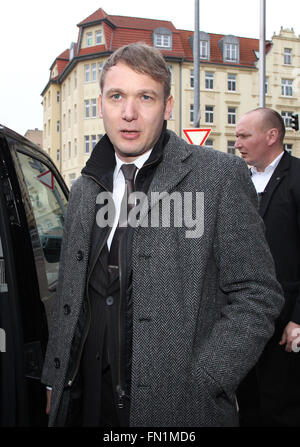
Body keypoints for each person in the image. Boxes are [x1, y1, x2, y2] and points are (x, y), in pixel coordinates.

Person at [42, 43, 283, 427]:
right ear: (101, 102)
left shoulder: (217, 177)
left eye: (146, 97)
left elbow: (257, 294)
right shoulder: (85, 187)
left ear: (168, 107)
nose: (129, 113)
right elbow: (72, 293)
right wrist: (55, 377)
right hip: (85, 400)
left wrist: (207, 379)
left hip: (175, 407)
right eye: (116, 96)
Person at [235, 107, 300, 426]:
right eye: (236, 137)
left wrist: (299, 320)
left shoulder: (298, 179)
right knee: (247, 405)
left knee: (281, 407)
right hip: (242, 322)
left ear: (271, 136)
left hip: (285, 324)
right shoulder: (236, 181)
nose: (237, 144)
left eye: (244, 135)